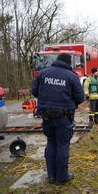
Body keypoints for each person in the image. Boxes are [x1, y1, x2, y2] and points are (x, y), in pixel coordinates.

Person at [31, 53, 85, 185]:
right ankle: (61, 177)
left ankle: (51, 175)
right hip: (63, 117)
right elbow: (80, 97)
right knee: (62, 145)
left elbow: (34, 90)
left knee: (51, 144)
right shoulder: (71, 75)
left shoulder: (43, 73)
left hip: (47, 116)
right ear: (68, 63)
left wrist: (47, 99)